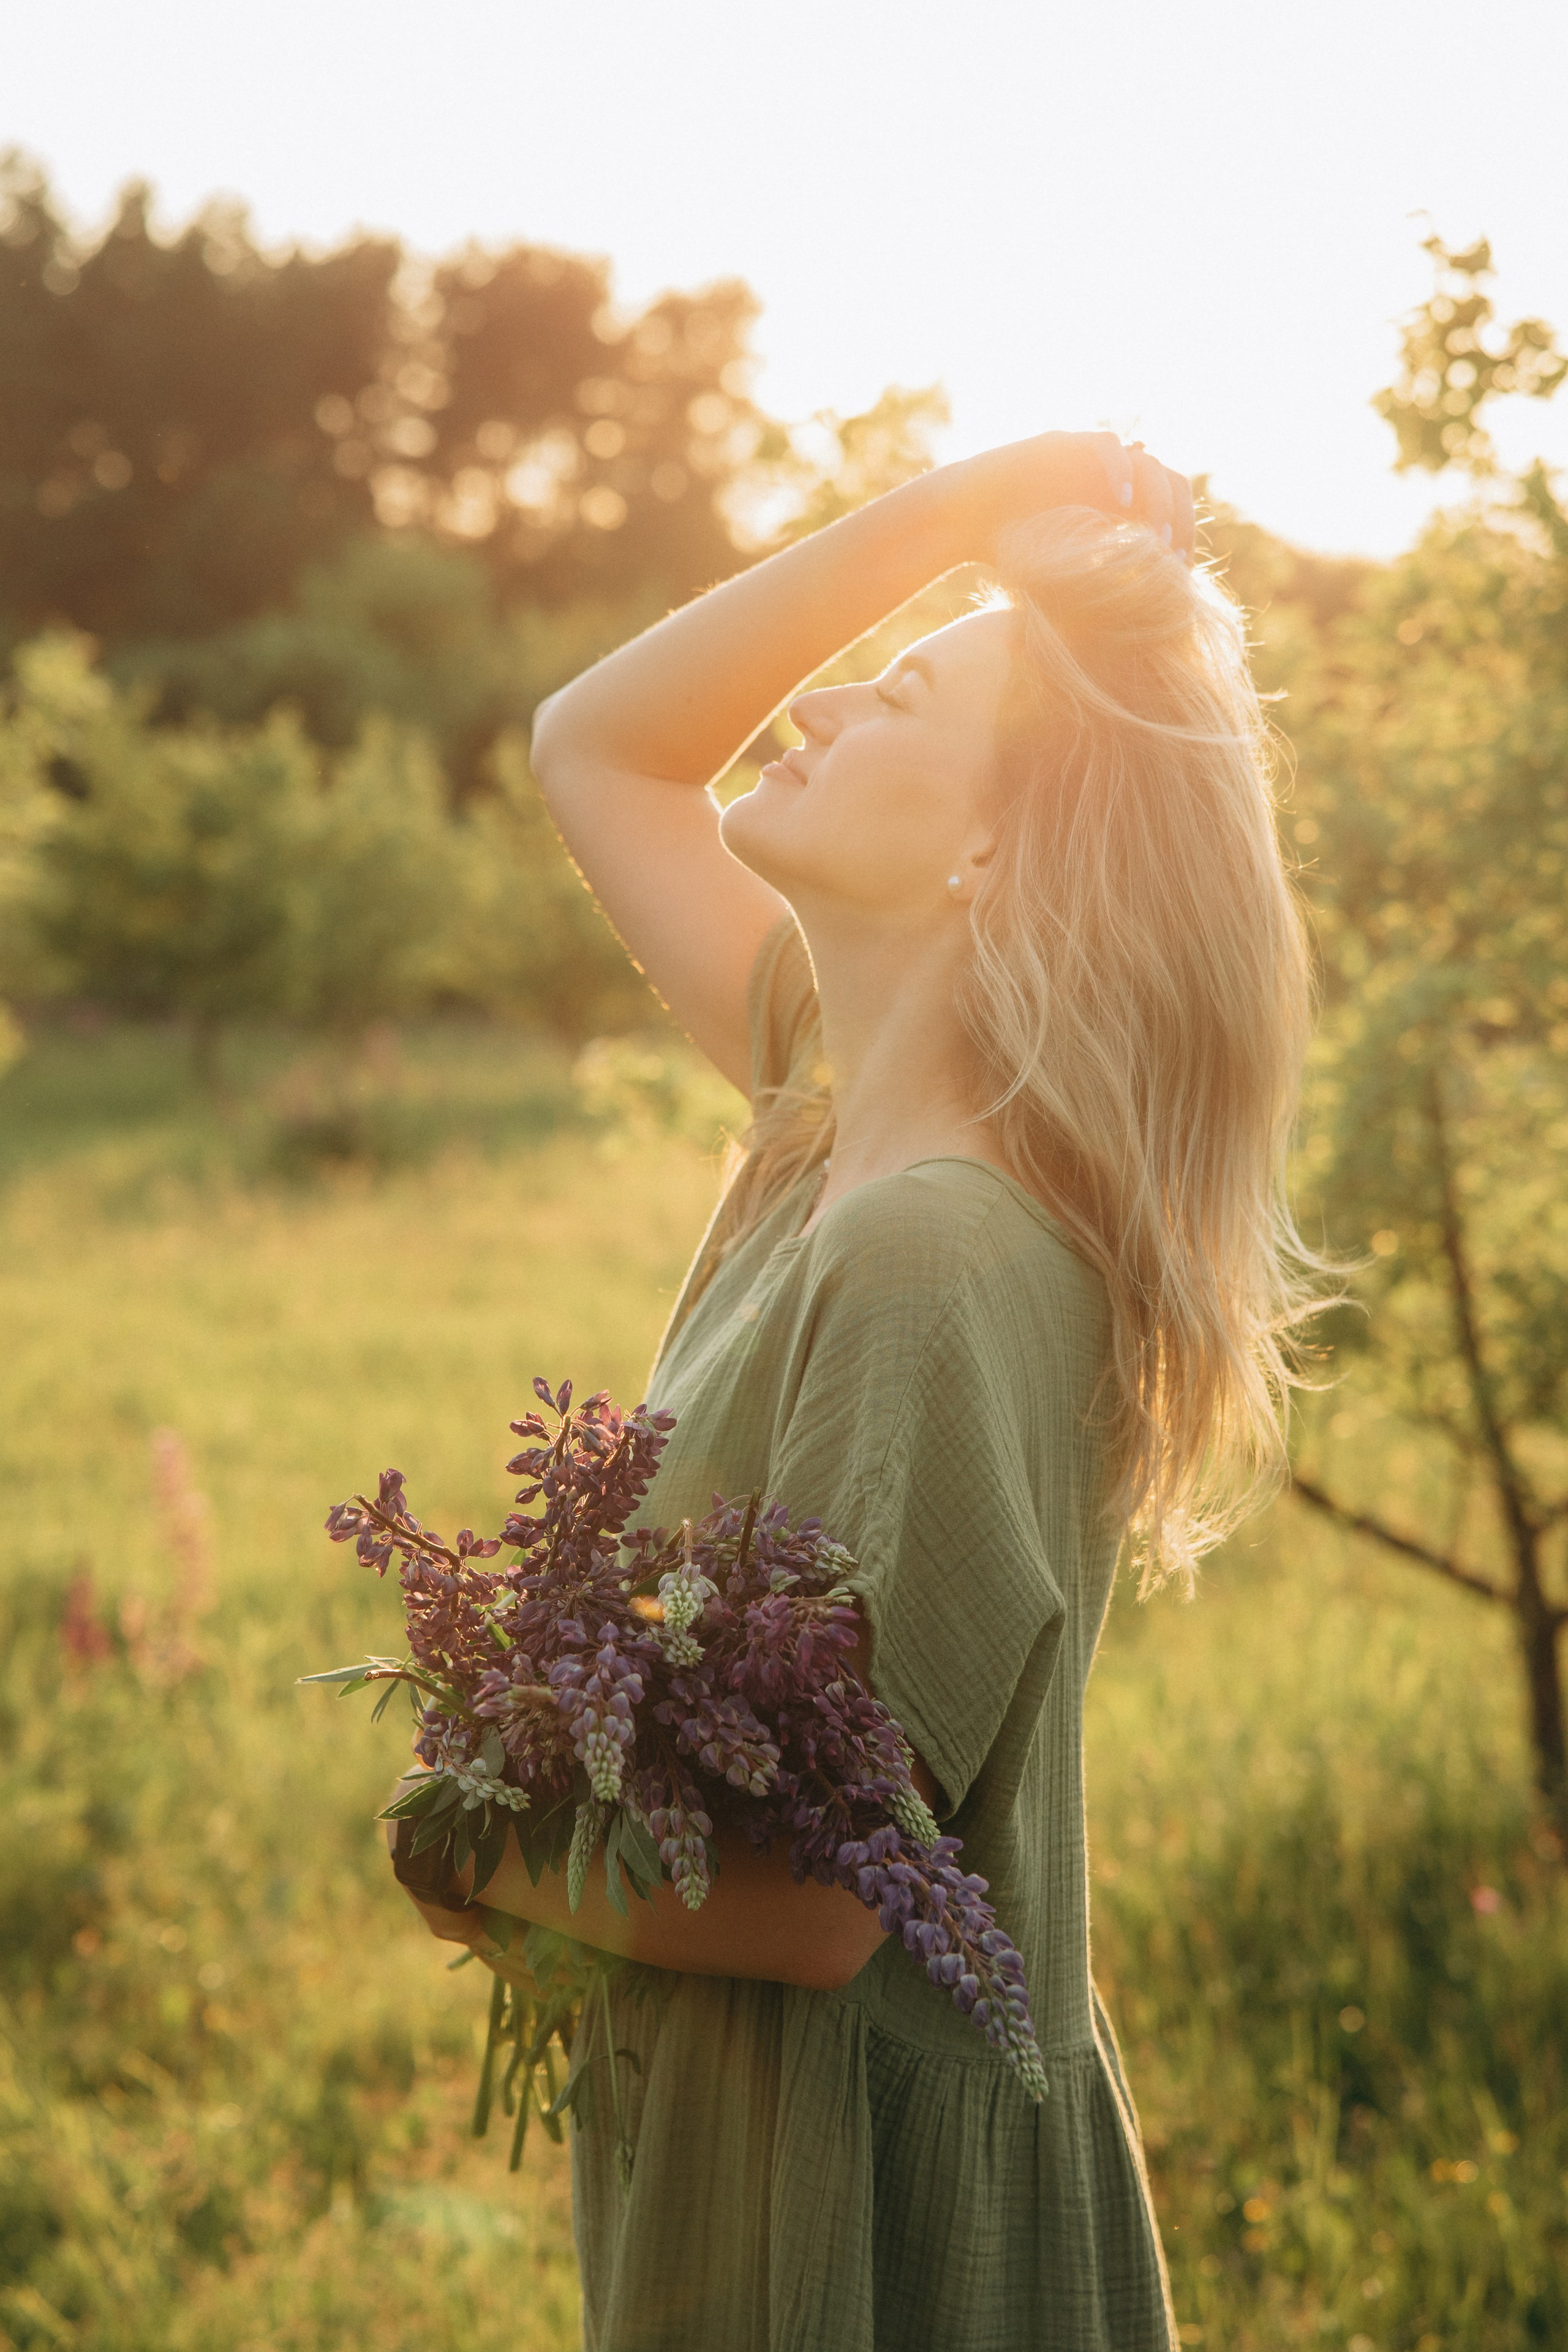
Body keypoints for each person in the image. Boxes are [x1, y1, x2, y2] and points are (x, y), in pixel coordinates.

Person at [395, 431, 1321, 2351]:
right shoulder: (827, 1126)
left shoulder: (936, 1257)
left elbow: (826, 1904)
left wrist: (465, 1843)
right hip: (759, 2143)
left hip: (868, 2230)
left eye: (901, 695)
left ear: (993, 849)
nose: (813, 700)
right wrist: (954, 515)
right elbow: (600, 744)